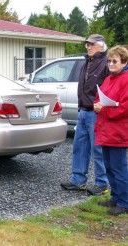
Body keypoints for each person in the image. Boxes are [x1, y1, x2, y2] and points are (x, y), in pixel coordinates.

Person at [61, 34, 110, 195]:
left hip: (97, 113)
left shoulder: (106, 63)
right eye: (87, 44)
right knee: (79, 147)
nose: (88, 47)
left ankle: (102, 183)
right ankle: (78, 180)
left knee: (98, 149)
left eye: (92, 44)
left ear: (101, 46)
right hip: (82, 111)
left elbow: (110, 89)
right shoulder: (86, 63)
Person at [94, 45, 128, 216]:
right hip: (106, 130)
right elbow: (99, 97)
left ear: (124, 61)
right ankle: (115, 197)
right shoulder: (109, 79)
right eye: (109, 61)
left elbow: (124, 108)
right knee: (108, 167)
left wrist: (104, 109)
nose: (110, 64)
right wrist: (97, 105)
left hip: (119, 132)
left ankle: (124, 202)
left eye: (114, 61)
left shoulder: (126, 79)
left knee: (119, 168)